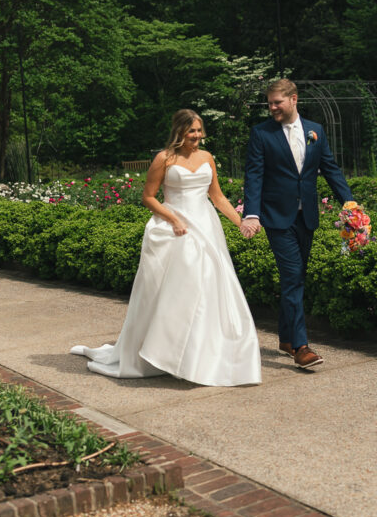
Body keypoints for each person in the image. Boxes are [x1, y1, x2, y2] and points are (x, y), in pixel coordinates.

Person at [71, 109, 261, 386]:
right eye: (191, 131)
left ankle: (201, 356)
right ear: (179, 132)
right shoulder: (164, 159)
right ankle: (163, 351)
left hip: (206, 227)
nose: (197, 136)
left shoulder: (207, 158)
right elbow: (148, 197)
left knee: (210, 287)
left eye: (199, 131)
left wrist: (240, 223)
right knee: (178, 292)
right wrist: (173, 219)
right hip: (176, 230)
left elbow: (217, 196)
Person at [241, 79, 352, 370]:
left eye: (277, 102)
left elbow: (329, 168)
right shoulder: (261, 133)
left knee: (296, 276)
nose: (272, 107)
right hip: (277, 218)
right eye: (270, 103)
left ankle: (286, 338)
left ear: (294, 99)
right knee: (293, 277)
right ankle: (301, 347)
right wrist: (252, 213)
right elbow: (254, 176)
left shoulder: (316, 130)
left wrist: (349, 203)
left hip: (307, 217)